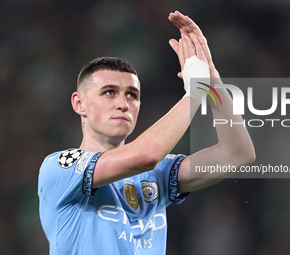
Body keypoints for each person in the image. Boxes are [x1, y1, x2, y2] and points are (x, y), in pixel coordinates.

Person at [38, 11, 255, 255]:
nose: (123, 103)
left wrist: (212, 79)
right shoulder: (60, 168)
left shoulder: (158, 173)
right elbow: (146, 155)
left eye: (132, 94)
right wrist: (195, 91)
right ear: (79, 104)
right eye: (109, 92)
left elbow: (237, 154)